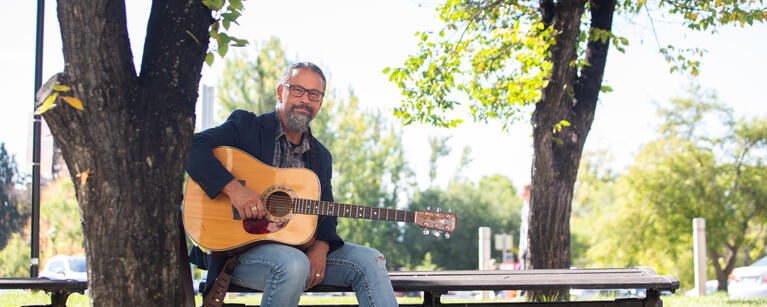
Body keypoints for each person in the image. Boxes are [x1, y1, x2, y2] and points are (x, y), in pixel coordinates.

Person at [185, 62, 397, 307]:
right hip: (239, 253)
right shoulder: (247, 127)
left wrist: (321, 246)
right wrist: (235, 189)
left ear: (320, 102)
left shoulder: (320, 155)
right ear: (280, 92)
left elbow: (325, 210)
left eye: (314, 94)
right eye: (297, 90)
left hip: (300, 252)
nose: (305, 100)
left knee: (371, 260)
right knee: (293, 263)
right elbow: (191, 147)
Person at [518, 184, 530, 270]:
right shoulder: (524, 207)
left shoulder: (533, 206)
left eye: (525, 190)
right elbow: (523, 231)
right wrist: (521, 249)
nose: (522, 193)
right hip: (525, 245)